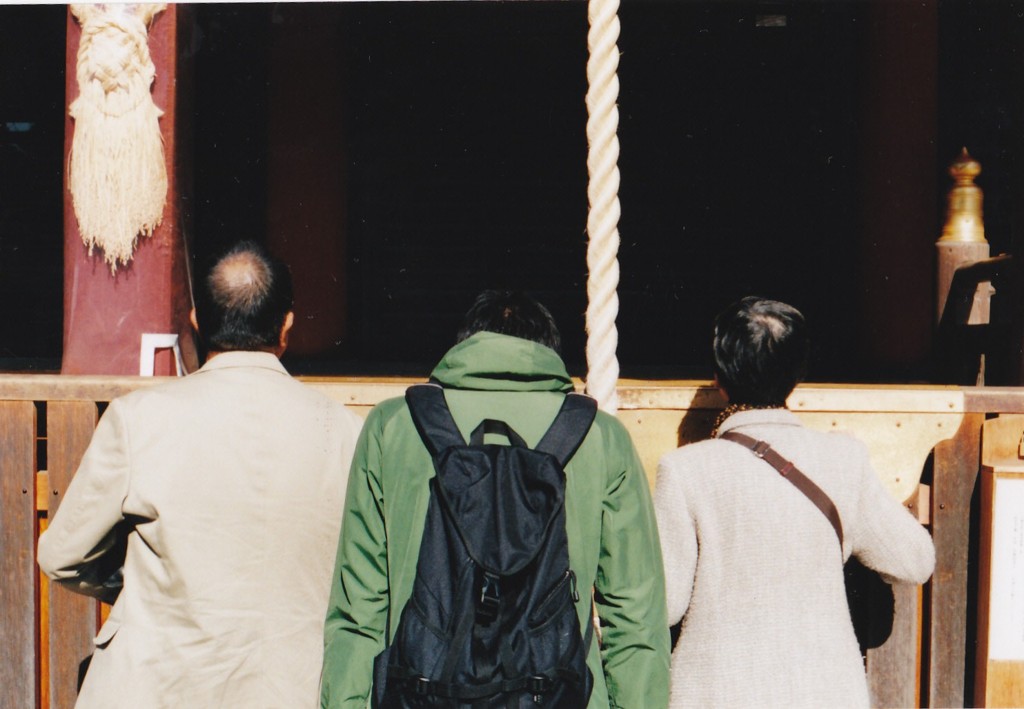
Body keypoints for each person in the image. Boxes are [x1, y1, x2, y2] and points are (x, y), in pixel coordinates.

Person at [37, 241, 364, 708]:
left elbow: (61, 555)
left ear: (194, 322)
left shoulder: (138, 420)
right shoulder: (346, 432)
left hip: (159, 688)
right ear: (286, 326)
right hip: (294, 689)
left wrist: (135, 586)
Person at [321, 290, 670, 708]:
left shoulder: (392, 426)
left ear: (465, 345)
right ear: (548, 350)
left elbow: (359, 612)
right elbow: (635, 622)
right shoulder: (601, 437)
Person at [653, 296, 936, 708]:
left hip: (717, 691)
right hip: (823, 690)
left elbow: (664, 604)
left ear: (718, 376)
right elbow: (915, 560)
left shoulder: (684, 469)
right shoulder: (843, 458)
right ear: (798, 374)